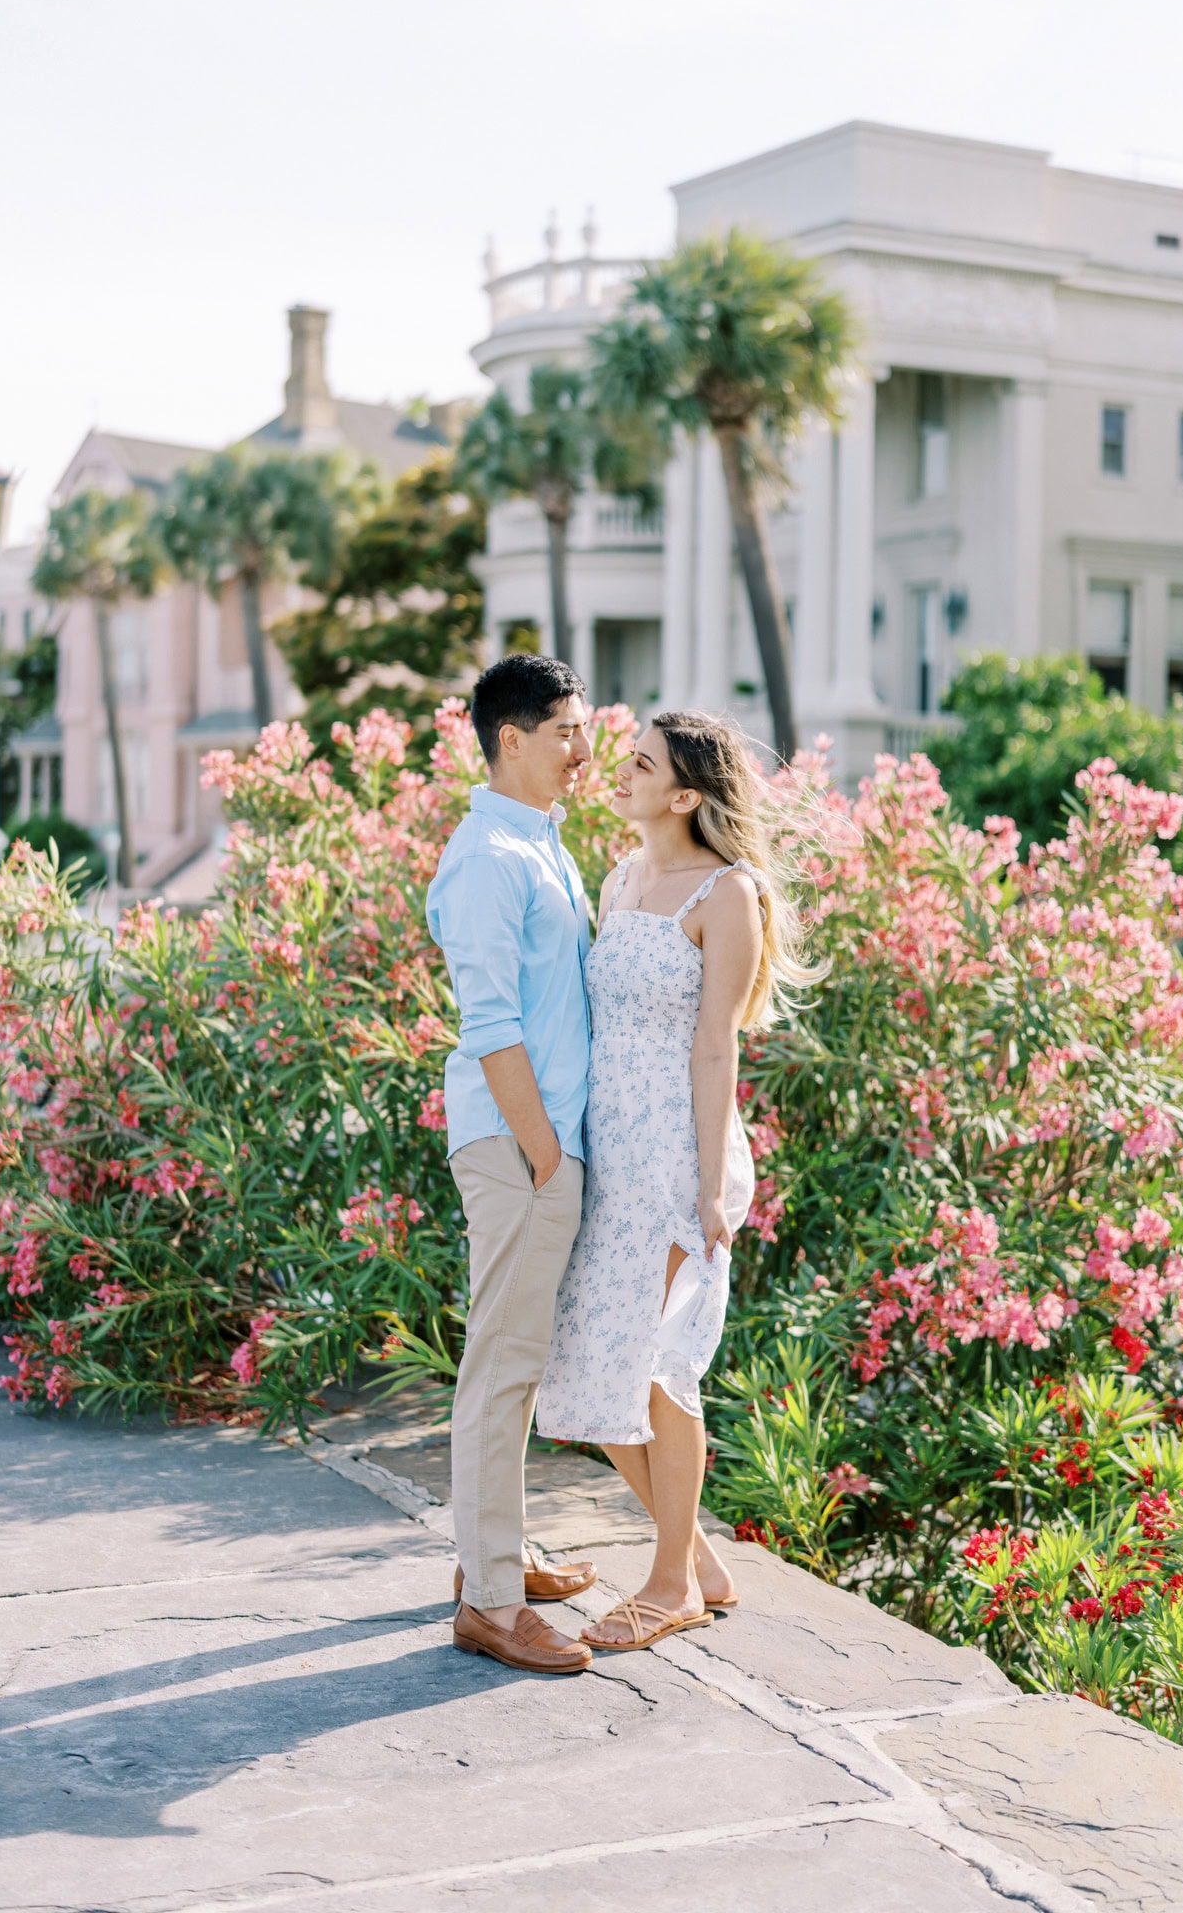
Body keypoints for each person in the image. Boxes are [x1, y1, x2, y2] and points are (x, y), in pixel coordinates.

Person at [535, 710, 811, 1652]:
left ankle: (670, 1584)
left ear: (687, 795)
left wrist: (706, 1186)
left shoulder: (729, 894)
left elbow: (716, 1046)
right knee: (589, 1366)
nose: (620, 770)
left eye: (642, 764)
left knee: (659, 1368)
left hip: (678, 1161)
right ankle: (701, 1562)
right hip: (609, 1157)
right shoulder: (620, 878)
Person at [425, 653, 600, 1677]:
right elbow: (489, 1024)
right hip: (517, 1143)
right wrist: (544, 1153)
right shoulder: (487, 856)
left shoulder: (537, 840)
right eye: (567, 731)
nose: (583, 750)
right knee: (499, 1368)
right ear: (511, 738)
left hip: (539, 1142)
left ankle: (493, 1558)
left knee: (515, 1362)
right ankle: (490, 1603)